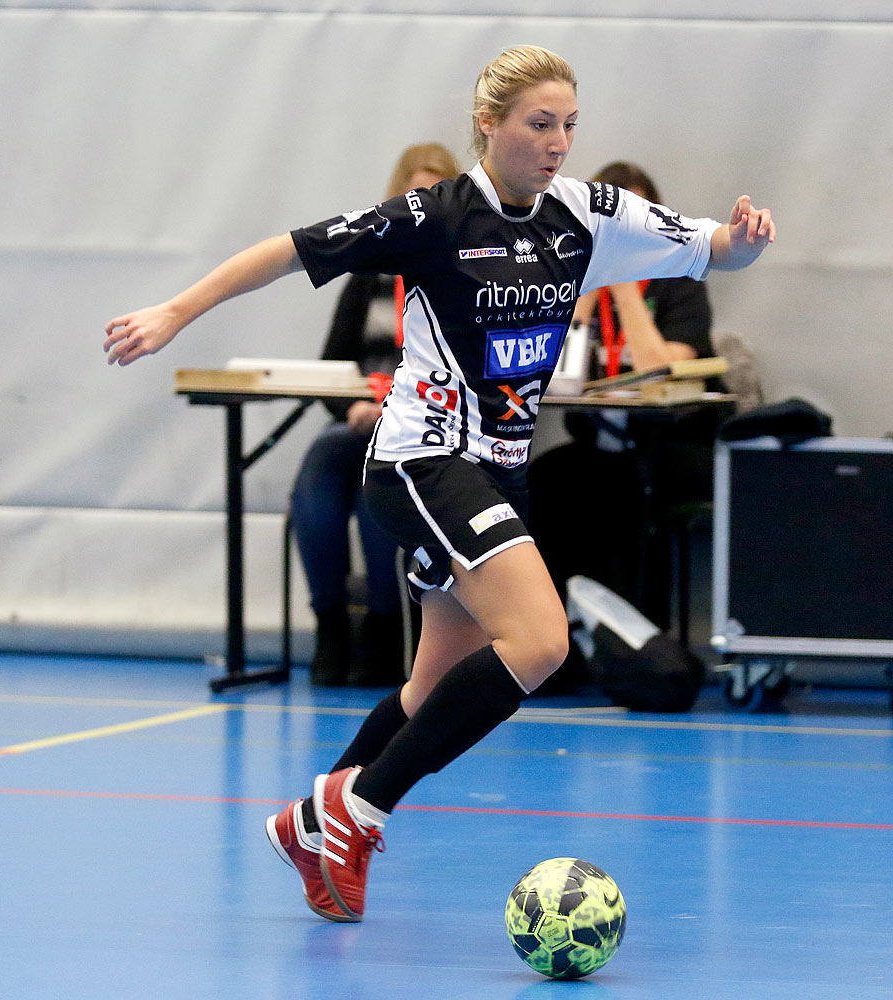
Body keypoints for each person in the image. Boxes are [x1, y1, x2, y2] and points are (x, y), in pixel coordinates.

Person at [105, 44, 772, 922]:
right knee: (541, 643)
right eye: (540, 124)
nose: (558, 142)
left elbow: (707, 249)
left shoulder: (588, 214)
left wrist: (743, 243)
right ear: (488, 125)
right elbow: (288, 249)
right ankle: (358, 811)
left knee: (433, 687)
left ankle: (313, 820)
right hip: (423, 461)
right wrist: (175, 311)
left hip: (499, 472)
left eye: (569, 124)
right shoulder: (433, 215)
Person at [530, 160, 722, 633]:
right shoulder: (571, 275)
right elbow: (550, 367)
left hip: (674, 444)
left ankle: (641, 644)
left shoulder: (680, 280)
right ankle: (553, 640)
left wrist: (625, 281)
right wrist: (584, 290)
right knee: (541, 485)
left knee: (632, 494)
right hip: (601, 445)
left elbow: (660, 367)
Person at [294, 142, 459, 687]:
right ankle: (330, 624)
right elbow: (331, 364)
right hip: (360, 419)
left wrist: (392, 414)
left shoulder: (462, 274)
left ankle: (383, 629)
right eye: (409, 194)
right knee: (321, 464)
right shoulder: (367, 276)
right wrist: (355, 407)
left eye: (431, 195)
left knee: (381, 483)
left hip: (424, 428)